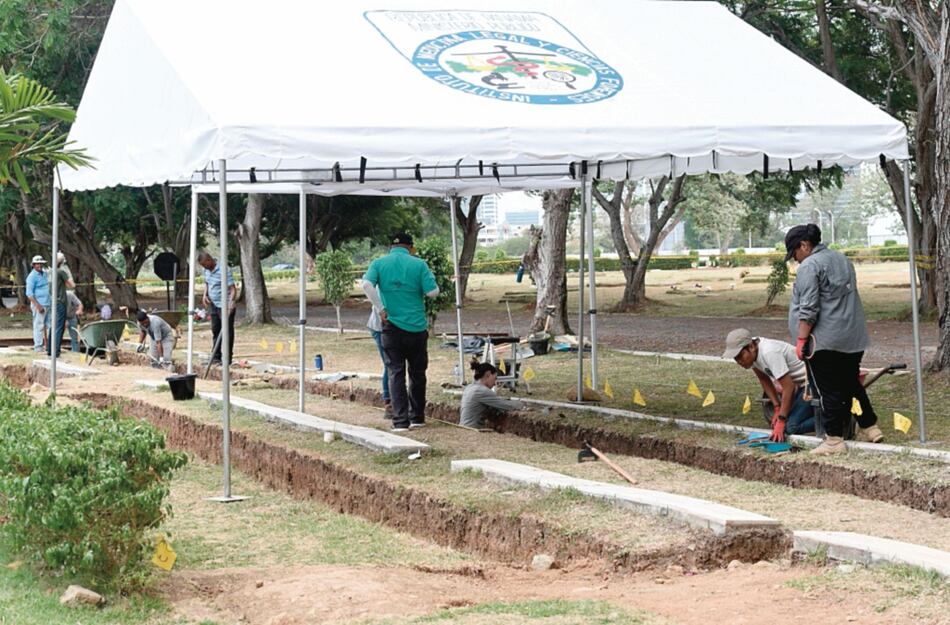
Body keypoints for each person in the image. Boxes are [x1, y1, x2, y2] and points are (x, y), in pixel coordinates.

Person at [785, 223, 883, 455]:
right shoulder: (842, 259)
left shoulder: (810, 266)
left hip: (825, 340)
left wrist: (801, 340)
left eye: (794, 253)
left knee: (828, 390)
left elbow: (808, 308)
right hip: (852, 336)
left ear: (804, 245)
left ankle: (834, 439)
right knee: (850, 383)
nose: (795, 260)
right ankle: (870, 426)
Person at [361, 232, 439, 432]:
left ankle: (400, 421)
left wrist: (380, 308)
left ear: (391, 247)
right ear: (410, 247)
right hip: (416, 327)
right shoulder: (419, 264)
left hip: (391, 327)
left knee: (395, 372)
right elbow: (433, 292)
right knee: (417, 373)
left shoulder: (378, 264)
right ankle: (417, 417)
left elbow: (367, 285)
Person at [723, 328, 814, 442]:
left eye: (740, 356)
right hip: (802, 385)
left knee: (790, 427)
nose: (739, 361)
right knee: (782, 420)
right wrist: (777, 408)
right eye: (735, 358)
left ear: (751, 347)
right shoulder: (753, 355)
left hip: (813, 383)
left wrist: (781, 420)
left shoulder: (769, 352)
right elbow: (764, 379)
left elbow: (789, 387)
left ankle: (837, 418)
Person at [198, 251, 237, 366]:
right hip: (214, 305)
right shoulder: (206, 270)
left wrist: (231, 303)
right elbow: (207, 283)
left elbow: (233, 289)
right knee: (215, 330)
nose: (205, 268)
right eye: (203, 266)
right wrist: (205, 295)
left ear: (209, 260)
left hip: (225, 306)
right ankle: (216, 357)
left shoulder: (224, 270)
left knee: (227, 332)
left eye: (205, 265)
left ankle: (227, 358)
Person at [460, 362, 525, 429]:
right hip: (473, 430)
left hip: (464, 428)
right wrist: (522, 404)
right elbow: (506, 405)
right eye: (495, 378)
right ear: (488, 374)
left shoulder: (469, 387)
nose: (494, 383)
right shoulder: (481, 390)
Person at [366, 286, 392, 417]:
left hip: (389, 328)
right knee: (390, 364)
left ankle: (394, 400)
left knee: (393, 364)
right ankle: (389, 403)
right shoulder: (380, 279)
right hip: (379, 328)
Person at [46, 253, 75, 359]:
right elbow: (71, 285)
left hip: (52, 301)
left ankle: (49, 350)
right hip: (60, 302)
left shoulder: (50, 272)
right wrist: (68, 275)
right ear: (62, 262)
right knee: (59, 327)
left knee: (52, 326)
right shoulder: (61, 272)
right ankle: (56, 352)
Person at [25, 255, 50, 353]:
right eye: (37, 264)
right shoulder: (31, 277)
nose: (39, 265)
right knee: (38, 325)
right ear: (34, 265)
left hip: (48, 303)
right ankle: (38, 347)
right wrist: (37, 305)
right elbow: (29, 294)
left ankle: (49, 345)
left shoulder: (44, 274)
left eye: (41, 263)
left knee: (50, 325)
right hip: (39, 304)